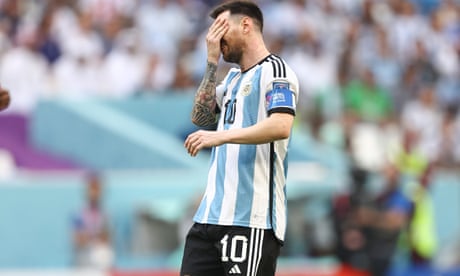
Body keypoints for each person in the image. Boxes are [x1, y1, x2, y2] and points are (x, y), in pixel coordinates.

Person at [181, 1, 299, 276]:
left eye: (221, 28)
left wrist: (221, 137)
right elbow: (200, 117)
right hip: (208, 218)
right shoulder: (232, 80)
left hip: (251, 220)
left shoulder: (276, 71)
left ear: (245, 24)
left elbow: (281, 125)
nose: (215, 37)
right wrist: (211, 62)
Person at [72, 173, 113, 270]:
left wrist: (94, 238)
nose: (94, 193)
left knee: (104, 253)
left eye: (97, 189)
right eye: (92, 189)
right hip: (83, 259)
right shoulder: (79, 215)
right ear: (86, 191)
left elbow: (106, 239)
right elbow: (78, 240)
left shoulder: (105, 215)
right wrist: (93, 238)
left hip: (100, 262)